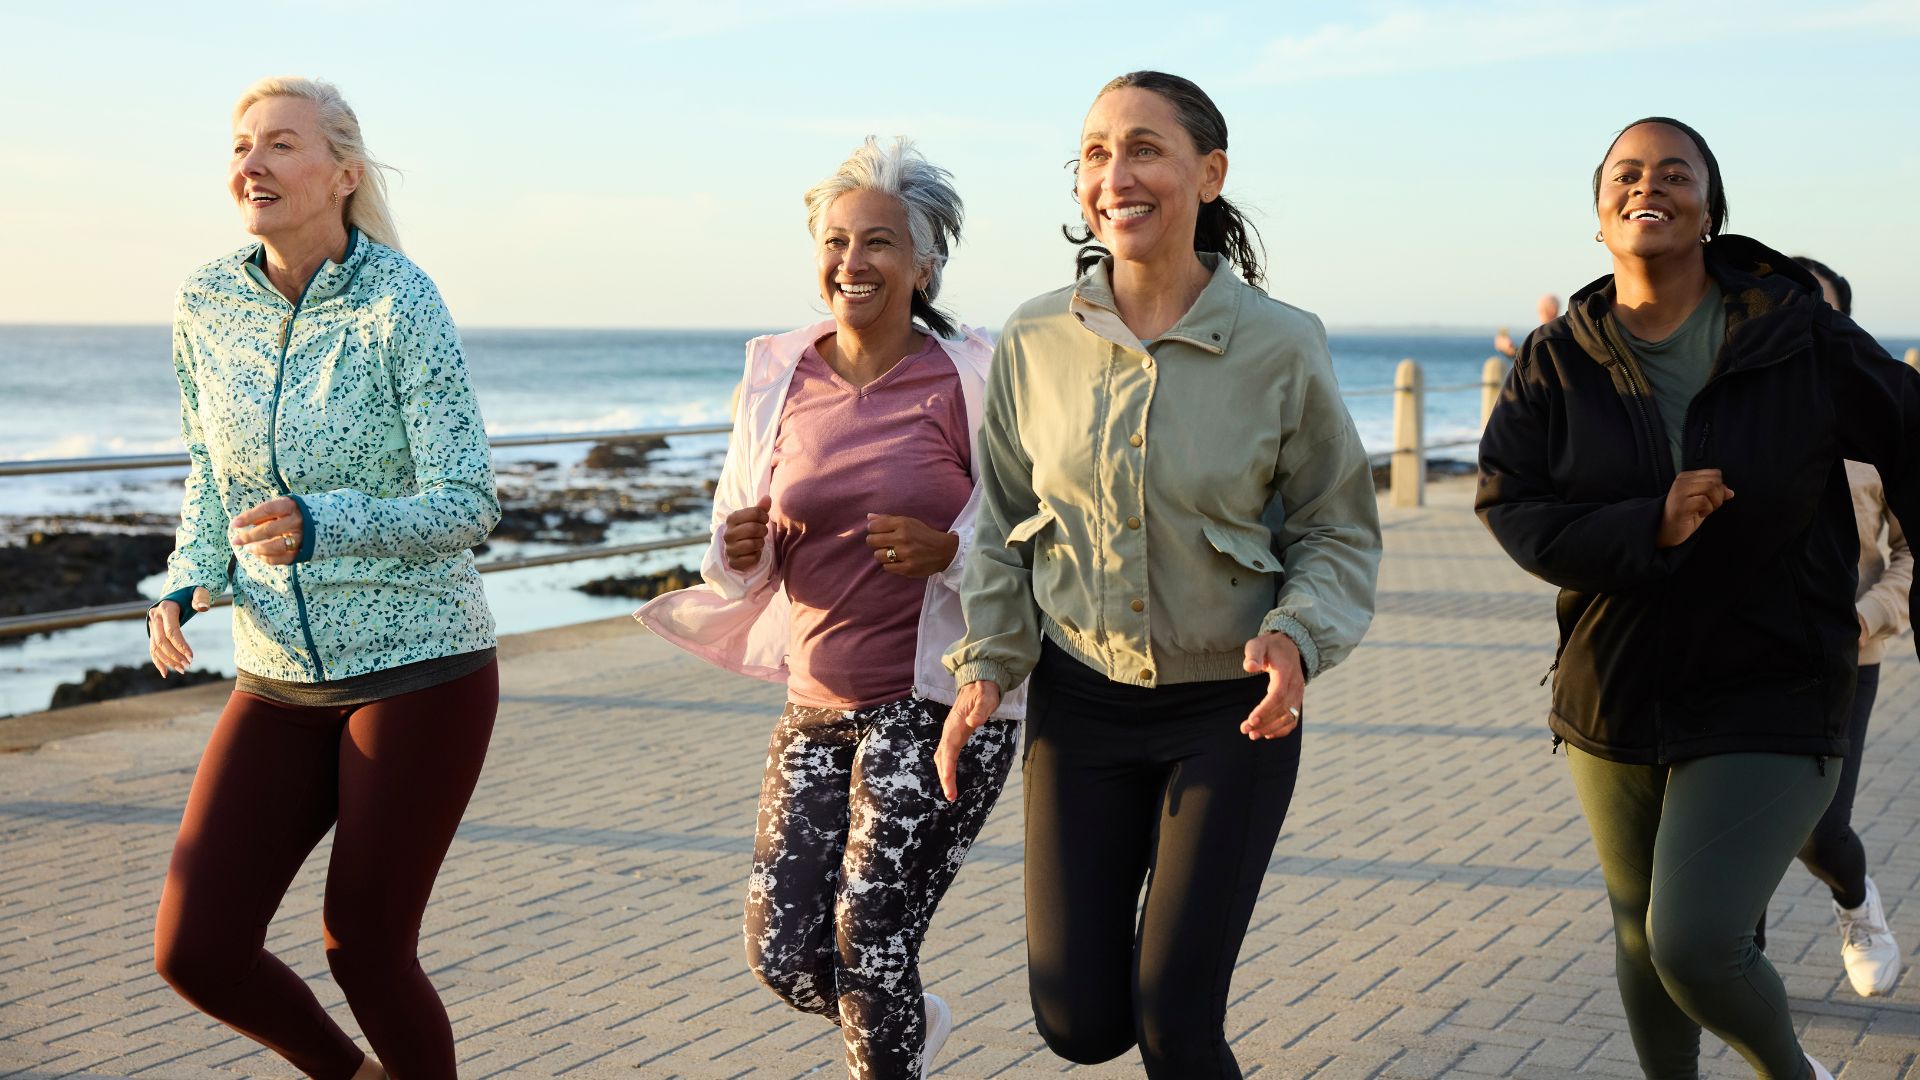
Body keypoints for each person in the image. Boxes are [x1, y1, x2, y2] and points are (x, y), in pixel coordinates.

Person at [935, 71, 1381, 1078]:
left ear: (1209, 175)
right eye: (1094, 153)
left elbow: (1336, 528)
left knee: (1176, 1022)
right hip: (1080, 707)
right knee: (1082, 1025)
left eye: (1143, 148)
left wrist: (1298, 632)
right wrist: (987, 669)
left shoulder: (1282, 344)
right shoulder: (1035, 339)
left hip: (1233, 714)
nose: (1114, 174)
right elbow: (1004, 521)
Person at [1478, 117, 1920, 1080]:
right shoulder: (1559, 356)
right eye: (1626, 175)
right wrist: (1649, 525)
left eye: (1674, 173)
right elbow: (1511, 504)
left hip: (1775, 679)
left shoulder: (1794, 332)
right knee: (1640, 942)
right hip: (1617, 684)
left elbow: (1910, 431)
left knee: (1693, 941)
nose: (1649, 187)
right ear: (1599, 218)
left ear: (1710, 209)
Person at [635, 136, 1022, 1080]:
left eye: (880, 242)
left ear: (926, 265)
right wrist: (738, 552)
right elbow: (740, 544)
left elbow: (1040, 531)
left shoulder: (976, 377)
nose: (854, 262)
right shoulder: (779, 374)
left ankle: (889, 1041)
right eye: (838, 241)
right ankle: (908, 1024)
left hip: (937, 707)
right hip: (814, 707)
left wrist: (951, 553)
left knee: (868, 935)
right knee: (786, 959)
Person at [148, 77, 500, 1080]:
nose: (248, 163)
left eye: (279, 145)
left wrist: (325, 524)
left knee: (366, 947)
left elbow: (469, 500)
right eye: (240, 145)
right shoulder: (207, 303)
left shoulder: (400, 299)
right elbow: (209, 475)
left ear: (341, 174)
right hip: (274, 673)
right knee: (197, 948)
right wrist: (183, 581)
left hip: (420, 668)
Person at [1752, 256, 1909, 995]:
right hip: (1741, 654)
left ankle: (1858, 904)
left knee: (1816, 828)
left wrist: (1865, 614)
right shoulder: (1735, 416)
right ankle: (1735, 981)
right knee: (1734, 830)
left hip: (1848, 657)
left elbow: (1909, 552)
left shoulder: (1884, 421)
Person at [1496, 292, 1561, 359]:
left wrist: (1510, 349)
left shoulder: (1546, 334)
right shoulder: (1562, 332)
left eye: (1541, 310)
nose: (1538, 314)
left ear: (1552, 310)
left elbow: (1531, 360)